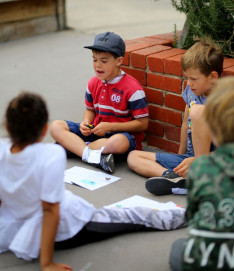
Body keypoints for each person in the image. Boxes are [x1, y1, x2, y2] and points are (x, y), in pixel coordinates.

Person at [0, 92, 185, 271]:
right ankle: (188, 214)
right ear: (43, 131)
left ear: (7, 127)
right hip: (66, 229)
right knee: (132, 217)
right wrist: (47, 264)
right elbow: (50, 211)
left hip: (18, 221)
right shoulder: (51, 155)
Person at [127, 39, 224, 195]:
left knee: (198, 112)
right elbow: (186, 124)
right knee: (133, 157)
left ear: (212, 76)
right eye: (187, 78)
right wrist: (180, 157)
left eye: (194, 79)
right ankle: (174, 179)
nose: (189, 83)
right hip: (192, 159)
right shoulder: (191, 92)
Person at [50, 31, 149, 173]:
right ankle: (91, 155)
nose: (98, 65)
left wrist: (110, 127)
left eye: (104, 61)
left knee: (117, 143)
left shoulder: (133, 89)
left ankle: (75, 148)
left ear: (119, 61)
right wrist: (85, 122)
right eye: (94, 60)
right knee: (55, 126)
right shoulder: (92, 83)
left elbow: (143, 124)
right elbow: (90, 109)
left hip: (122, 137)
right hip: (96, 132)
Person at [169, 76, 234, 271]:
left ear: (212, 128)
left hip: (204, 260)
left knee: (178, 247)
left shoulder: (200, 167)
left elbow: (192, 216)